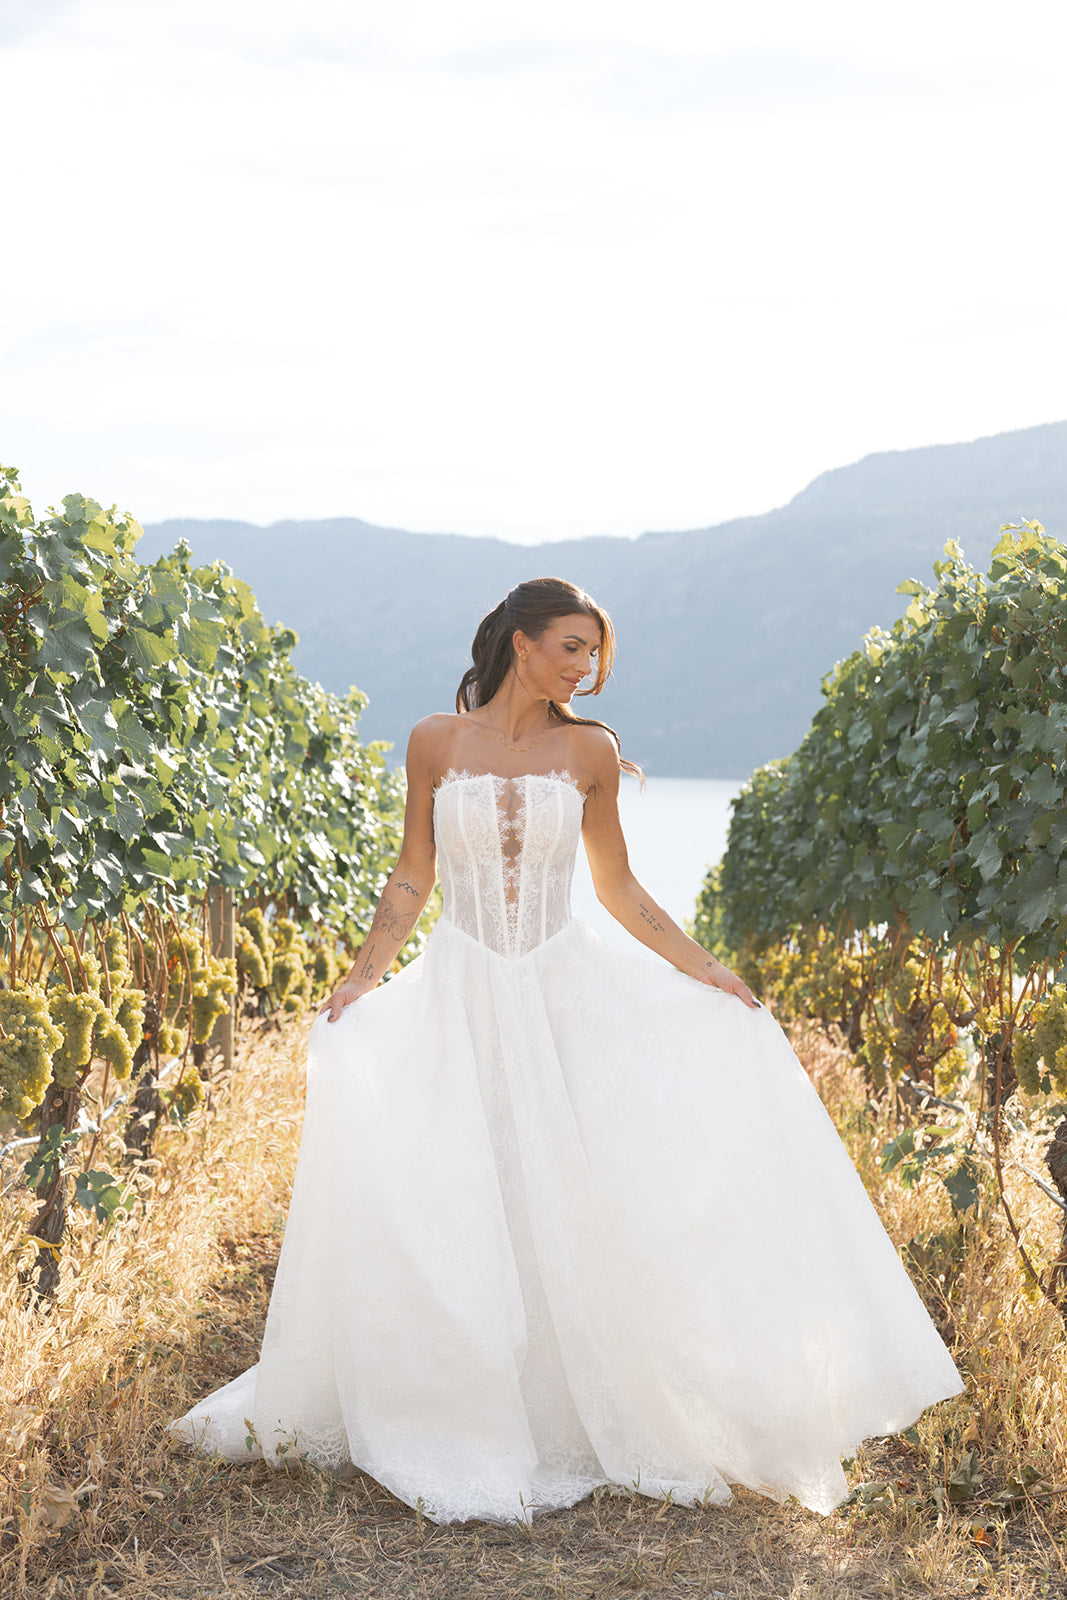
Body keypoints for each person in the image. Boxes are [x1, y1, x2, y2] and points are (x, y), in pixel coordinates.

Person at [172, 576, 964, 1525]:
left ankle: (580, 1404)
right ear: (520, 644)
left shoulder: (590, 751)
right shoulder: (434, 741)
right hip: (458, 986)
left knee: (577, 1183)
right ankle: (459, 1398)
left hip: (561, 989)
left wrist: (710, 971)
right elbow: (411, 877)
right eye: (570, 647)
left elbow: (620, 888)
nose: (585, 667)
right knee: (460, 1183)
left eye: (593, 651)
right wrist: (362, 977)